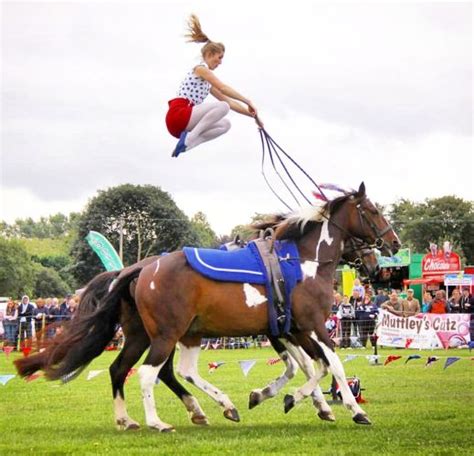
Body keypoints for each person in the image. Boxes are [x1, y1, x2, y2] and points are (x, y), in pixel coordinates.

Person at [166, 14, 261, 158]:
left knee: (225, 125)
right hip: (178, 115)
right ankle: (189, 139)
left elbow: (230, 101)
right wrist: (247, 101)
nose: (220, 62)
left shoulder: (206, 83)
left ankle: (187, 145)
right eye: (219, 57)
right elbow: (223, 89)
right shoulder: (201, 69)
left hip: (184, 123)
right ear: (210, 54)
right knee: (222, 107)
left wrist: (253, 116)